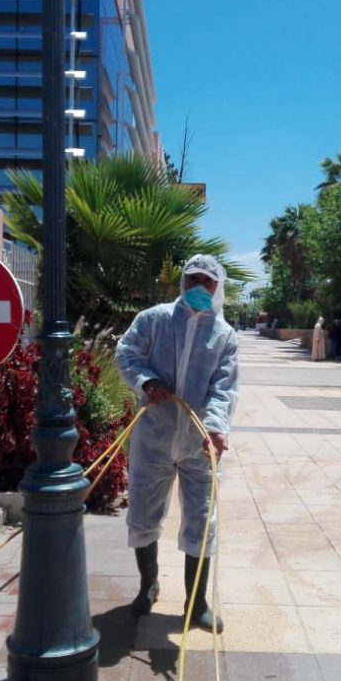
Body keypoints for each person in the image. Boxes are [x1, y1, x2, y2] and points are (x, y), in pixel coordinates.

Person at [115, 254, 239, 632]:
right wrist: (147, 381)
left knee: (202, 519)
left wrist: (215, 428)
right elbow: (127, 353)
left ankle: (196, 603)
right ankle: (148, 585)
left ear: (218, 288)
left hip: (198, 444)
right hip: (154, 436)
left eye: (208, 282)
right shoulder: (153, 319)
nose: (200, 287)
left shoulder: (224, 336)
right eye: (194, 279)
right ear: (183, 281)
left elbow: (223, 388)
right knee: (143, 514)